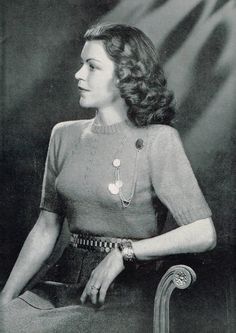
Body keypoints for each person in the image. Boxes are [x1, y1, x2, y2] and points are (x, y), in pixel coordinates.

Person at [0, 23, 216, 333]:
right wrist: (5, 299)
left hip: (123, 291)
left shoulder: (159, 140)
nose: (78, 74)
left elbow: (203, 233)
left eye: (92, 67)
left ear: (124, 75)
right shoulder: (63, 135)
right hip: (62, 280)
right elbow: (46, 228)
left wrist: (124, 253)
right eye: (81, 64)